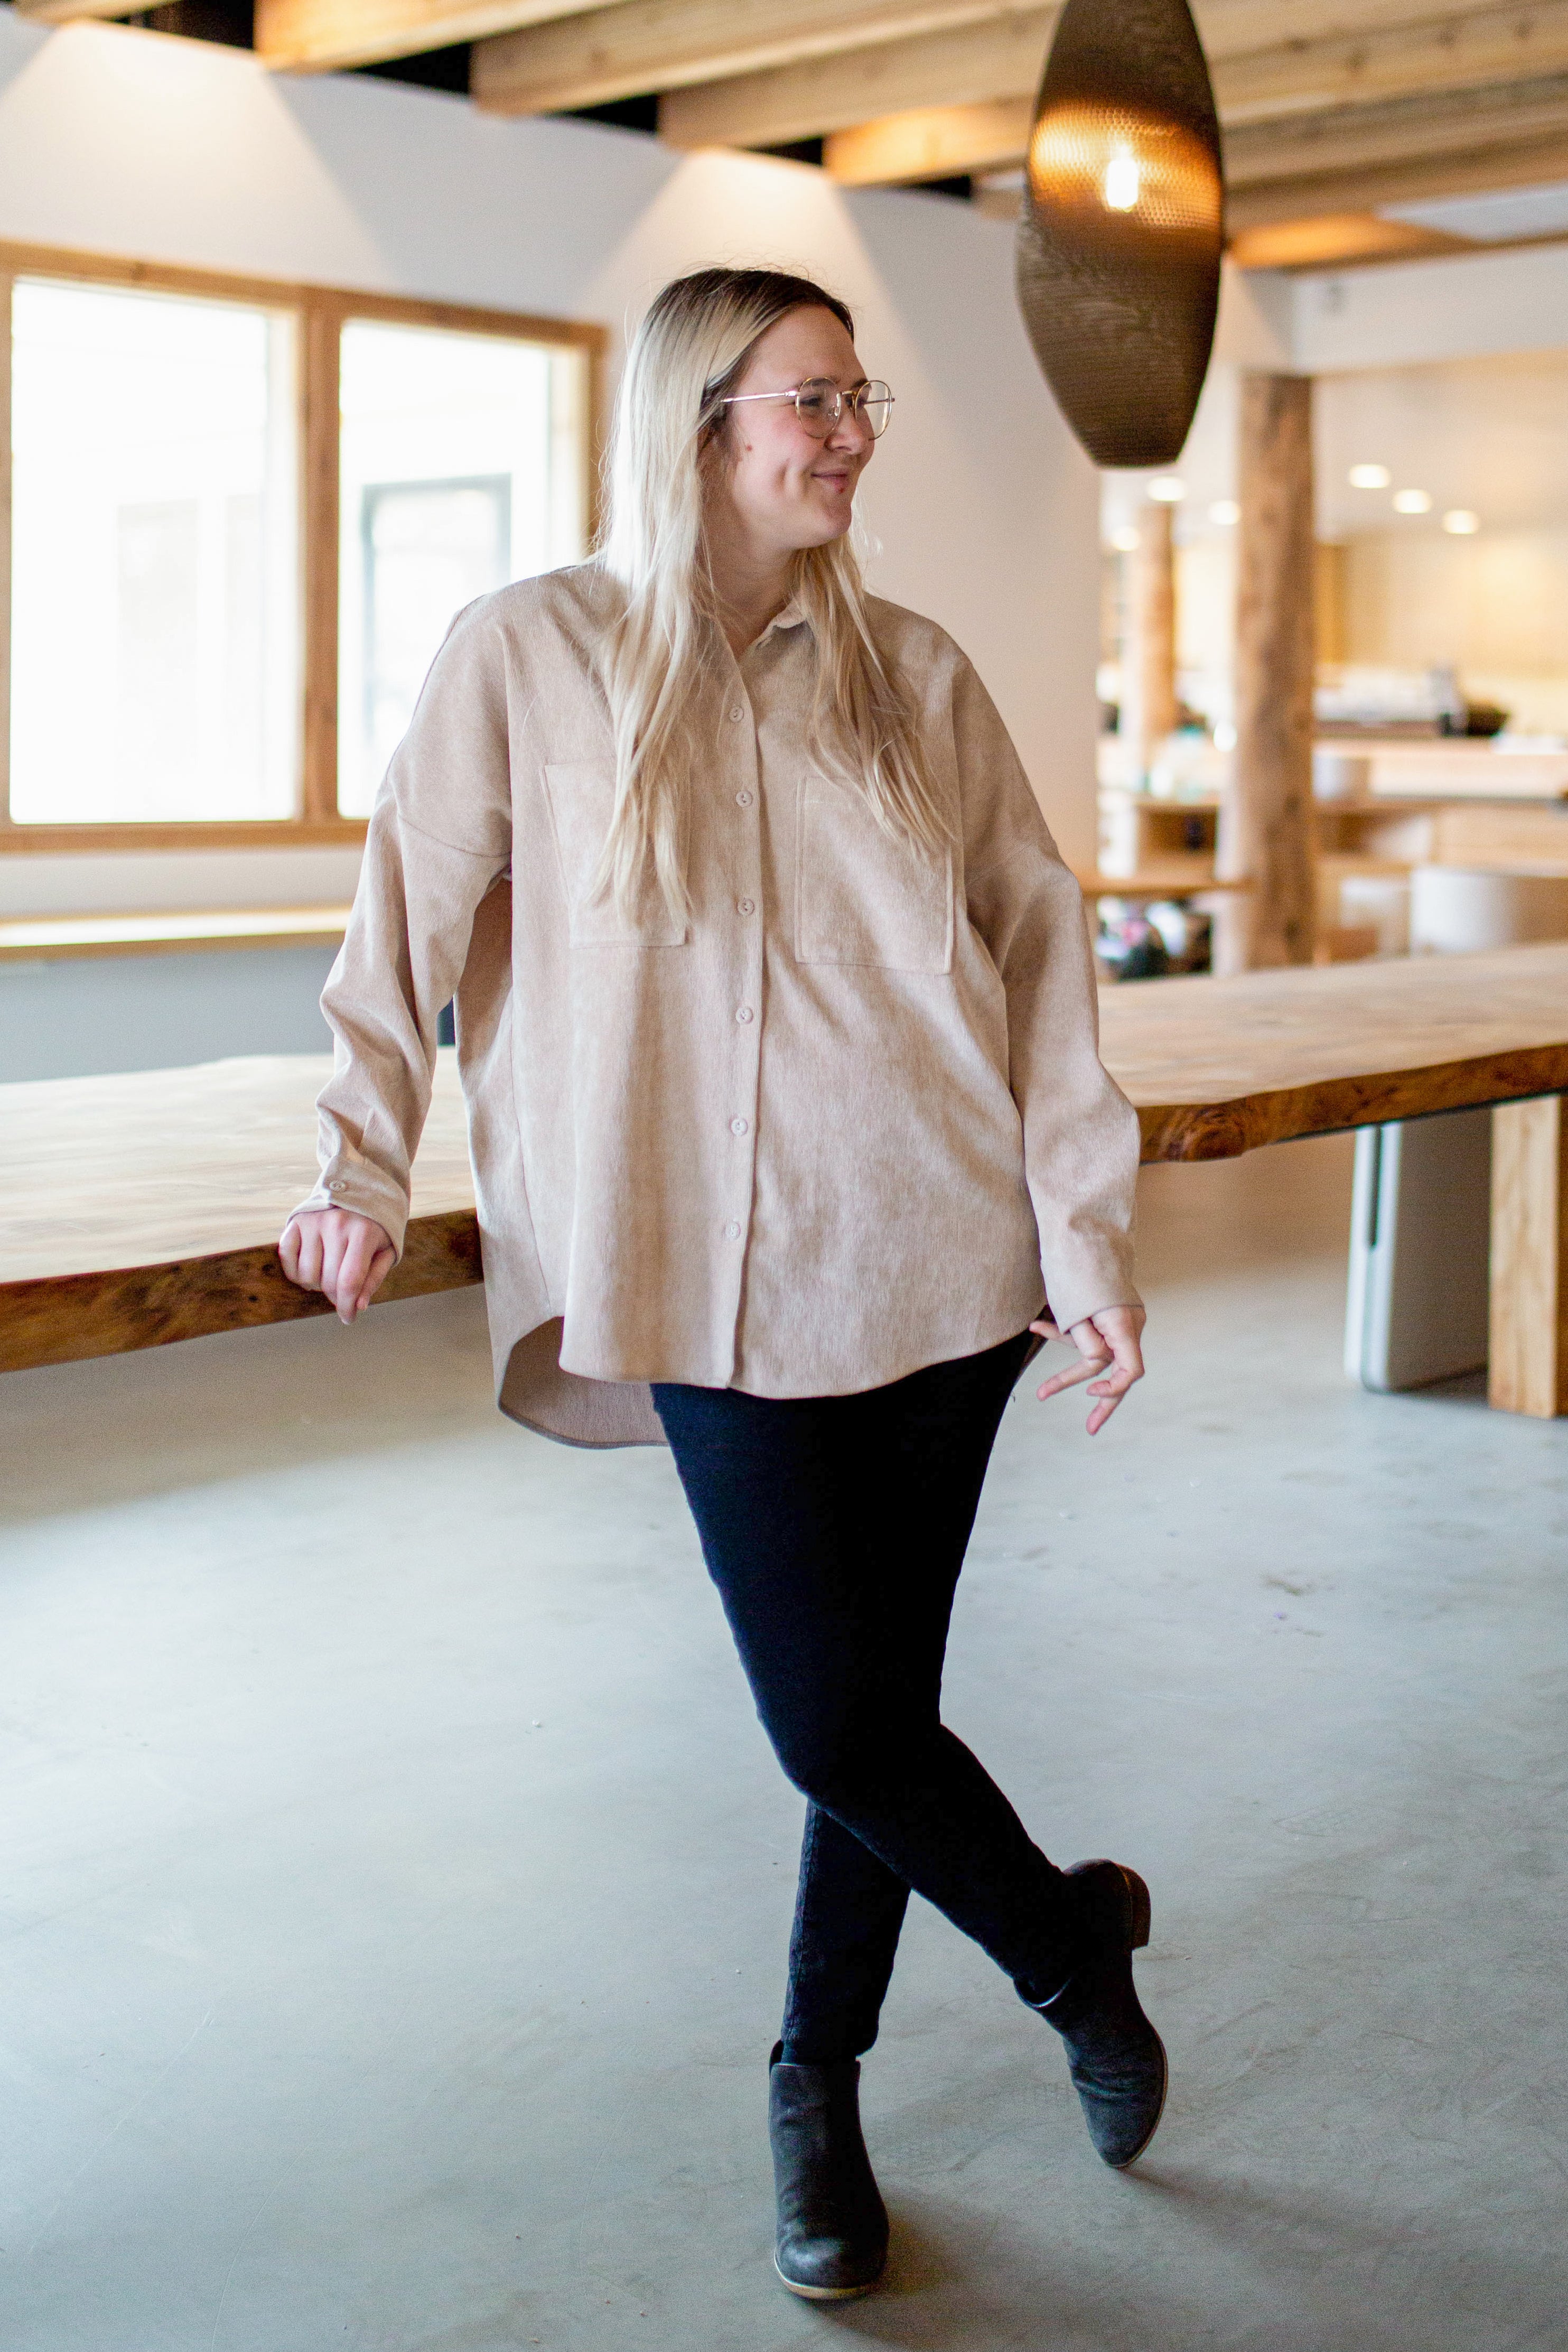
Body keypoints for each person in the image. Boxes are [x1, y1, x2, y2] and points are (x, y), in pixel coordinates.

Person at [279, 265, 1163, 2303]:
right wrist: (352, 1161)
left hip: (939, 1247)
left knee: (874, 1714)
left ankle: (814, 2085)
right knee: (838, 1718)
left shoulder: (916, 675)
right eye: (813, 398)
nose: (850, 431)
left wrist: (1087, 1229)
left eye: (861, 398)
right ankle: (1068, 1947)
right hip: (693, 1264)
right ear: (698, 422)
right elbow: (400, 917)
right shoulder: (533, 654)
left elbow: (1038, 951)